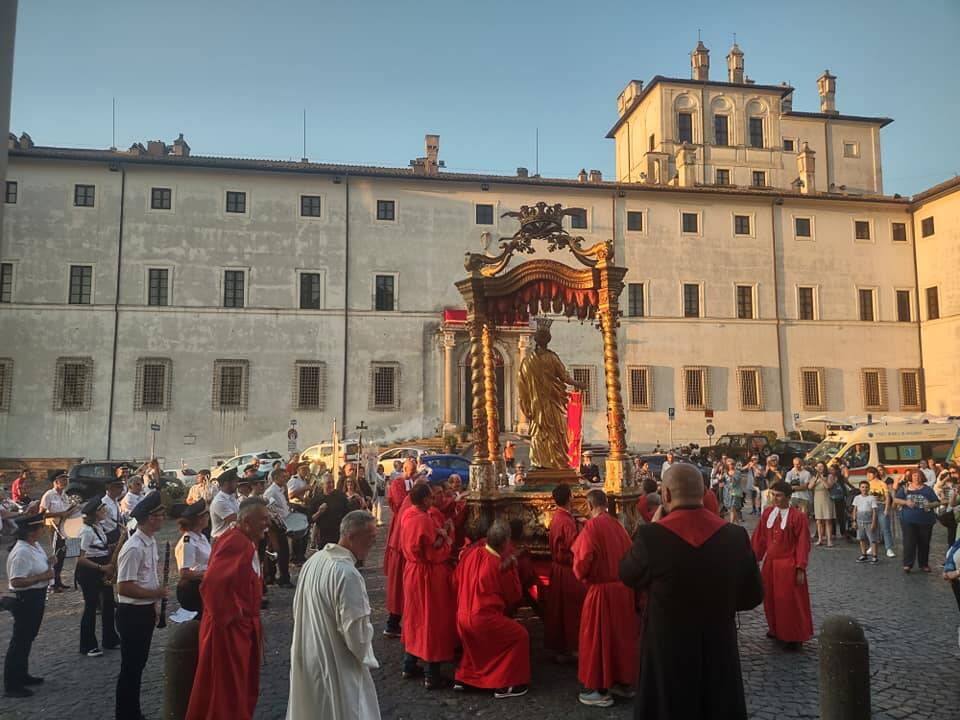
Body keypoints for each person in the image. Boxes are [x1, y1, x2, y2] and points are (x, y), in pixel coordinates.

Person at [619, 463, 764, 720]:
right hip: (718, 641)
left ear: (666, 495)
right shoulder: (735, 535)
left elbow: (628, 575)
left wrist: (653, 524)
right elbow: (753, 595)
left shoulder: (652, 536)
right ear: (704, 491)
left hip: (667, 645)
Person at [286, 510, 381, 720]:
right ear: (351, 536)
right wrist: (366, 655)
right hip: (338, 662)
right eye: (371, 538)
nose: (373, 544)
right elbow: (355, 629)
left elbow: (298, 607)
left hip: (309, 652)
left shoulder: (314, 561)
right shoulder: (348, 575)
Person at [185, 497, 269, 720]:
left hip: (240, 628)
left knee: (238, 687)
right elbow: (212, 583)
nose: (267, 524)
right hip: (230, 631)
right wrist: (233, 615)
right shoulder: (236, 542)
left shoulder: (245, 540)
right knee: (226, 690)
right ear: (248, 521)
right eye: (263, 519)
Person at [572, 489, 637, 707]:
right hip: (623, 590)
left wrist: (583, 578)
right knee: (621, 638)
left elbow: (581, 564)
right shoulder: (618, 525)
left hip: (602, 592)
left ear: (589, 506)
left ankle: (599, 689)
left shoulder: (591, 527)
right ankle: (623, 682)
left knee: (597, 639)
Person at [454, 520, 531, 698]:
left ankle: (465, 679)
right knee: (519, 635)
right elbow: (514, 595)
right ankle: (506, 684)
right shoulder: (497, 563)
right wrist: (512, 568)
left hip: (462, 615)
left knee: (477, 644)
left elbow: (457, 579)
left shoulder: (473, 554)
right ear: (505, 542)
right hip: (483, 617)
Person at [115, 491, 167, 720]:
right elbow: (124, 587)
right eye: (160, 515)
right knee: (131, 668)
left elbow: (148, 577)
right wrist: (155, 593)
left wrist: (154, 604)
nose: (163, 518)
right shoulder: (134, 547)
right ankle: (126, 715)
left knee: (138, 666)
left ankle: (133, 712)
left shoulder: (150, 541)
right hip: (131, 613)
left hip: (144, 610)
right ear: (149, 518)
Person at [399, 482, 456, 689]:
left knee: (414, 617)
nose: (434, 500)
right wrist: (447, 533)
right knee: (433, 620)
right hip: (428, 574)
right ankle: (432, 674)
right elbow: (434, 551)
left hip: (412, 572)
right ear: (424, 500)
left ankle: (409, 663)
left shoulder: (408, 514)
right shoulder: (424, 520)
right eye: (431, 497)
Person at [751, 481, 813, 651]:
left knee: (789, 602)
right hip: (770, 564)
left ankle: (793, 636)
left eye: (778, 495)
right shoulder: (768, 514)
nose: (774, 498)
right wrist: (753, 559)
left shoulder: (797, 517)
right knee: (771, 598)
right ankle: (776, 629)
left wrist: (800, 567)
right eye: (772, 495)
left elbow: (802, 544)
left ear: (788, 497)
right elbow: (760, 538)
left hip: (788, 565)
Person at [517, 317, 583, 469]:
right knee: (556, 433)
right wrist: (577, 383)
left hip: (536, 405)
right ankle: (556, 461)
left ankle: (540, 462)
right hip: (551, 403)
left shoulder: (527, 361)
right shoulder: (551, 357)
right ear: (547, 341)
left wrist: (526, 406)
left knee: (540, 433)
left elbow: (522, 387)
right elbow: (564, 376)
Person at [3, 512, 54, 698]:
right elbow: (16, 581)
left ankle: (22, 675)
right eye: (40, 527)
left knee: (28, 638)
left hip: (37, 597)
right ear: (31, 531)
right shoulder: (21, 552)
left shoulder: (35, 545)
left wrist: (48, 563)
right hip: (26, 599)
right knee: (20, 641)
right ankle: (12, 684)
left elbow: (37, 566)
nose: (42, 529)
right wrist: (42, 576)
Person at [543, 483, 585, 663]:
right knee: (571, 611)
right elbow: (576, 546)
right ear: (569, 498)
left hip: (558, 568)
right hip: (567, 570)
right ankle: (573, 648)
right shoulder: (566, 521)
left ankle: (561, 648)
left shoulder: (557, 517)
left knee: (559, 610)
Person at [76, 497, 120, 657]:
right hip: (89, 571)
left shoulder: (98, 527)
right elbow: (79, 558)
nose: (105, 512)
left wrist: (111, 548)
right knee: (91, 607)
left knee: (108, 604)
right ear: (95, 513)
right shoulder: (85, 531)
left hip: (102, 565)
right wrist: (102, 567)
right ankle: (87, 645)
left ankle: (110, 639)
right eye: (102, 509)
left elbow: (98, 546)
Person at [383, 459, 417, 638]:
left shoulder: (413, 483)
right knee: (397, 583)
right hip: (400, 534)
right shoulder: (397, 483)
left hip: (406, 530)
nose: (414, 471)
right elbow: (401, 504)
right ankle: (393, 622)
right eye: (412, 469)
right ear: (404, 469)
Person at [893, 468, 939, 573]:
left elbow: (937, 502)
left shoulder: (927, 489)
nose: (916, 478)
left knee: (924, 543)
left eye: (918, 476)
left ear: (922, 477)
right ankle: (908, 564)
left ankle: (924, 564)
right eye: (914, 476)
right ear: (911, 477)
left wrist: (930, 504)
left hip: (926, 520)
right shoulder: (905, 488)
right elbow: (896, 499)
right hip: (908, 520)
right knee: (909, 542)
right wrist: (906, 502)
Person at [172, 500, 211, 615]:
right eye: (206, 515)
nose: (208, 518)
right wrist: (208, 574)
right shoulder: (188, 542)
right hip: (193, 588)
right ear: (200, 519)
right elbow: (185, 573)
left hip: (204, 584)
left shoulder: (201, 537)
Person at [39, 470, 76, 591]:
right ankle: (52, 583)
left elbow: (66, 511)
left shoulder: (64, 495)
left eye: (66, 479)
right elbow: (41, 514)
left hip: (64, 526)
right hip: (53, 527)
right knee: (55, 554)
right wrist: (61, 513)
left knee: (62, 554)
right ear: (55, 481)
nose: (66, 482)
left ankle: (58, 580)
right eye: (63, 479)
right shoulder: (49, 495)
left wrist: (73, 509)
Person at [263, 467, 293, 588]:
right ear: (275, 478)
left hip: (283, 524)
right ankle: (281, 577)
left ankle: (279, 576)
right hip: (276, 525)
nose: (285, 478)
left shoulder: (280, 490)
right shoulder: (271, 491)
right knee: (281, 551)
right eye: (282, 476)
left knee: (282, 551)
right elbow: (269, 508)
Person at [312, 475, 351, 549]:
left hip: (339, 533)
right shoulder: (317, 499)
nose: (331, 485)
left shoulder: (340, 496)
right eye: (328, 483)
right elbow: (310, 519)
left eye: (333, 482)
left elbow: (348, 513)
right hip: (324, 535)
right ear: (322, 484)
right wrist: (319, 512)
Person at [866, 466, 896, 557]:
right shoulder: (867, 484)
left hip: (881, 505)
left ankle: (889, 548)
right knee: (872, 528)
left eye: (870, 473)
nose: (868, 475)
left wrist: (887, 509)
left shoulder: (882, 483)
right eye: (867, 474)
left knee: (885, 528)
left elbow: (887, 497)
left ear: (875, 474)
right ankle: (872, 546)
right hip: (871, 507)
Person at [850, 480, 879, 564]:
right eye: (862, 487)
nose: (864, 489)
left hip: (869, 521)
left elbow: (874, 511)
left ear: (869, 488)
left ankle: (874, 556)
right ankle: (864, 554)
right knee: (861, 538)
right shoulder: (857, 498)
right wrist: (854, 521)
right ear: (860, 488)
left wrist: (874, 522)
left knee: (873, 539)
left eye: (866, 487)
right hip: (860, 521)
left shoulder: (871, 498)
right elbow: (855, 509)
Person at [809, 462, 836, 547]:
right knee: (819, 520)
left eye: (822, 466)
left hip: (827, 499)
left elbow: (828, 486)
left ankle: (829, 540)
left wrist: (822, 479)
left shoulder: (829, 476)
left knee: (828, 520)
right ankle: (820, 539)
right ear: (816, 468)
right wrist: (816, 479)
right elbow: (810, 487)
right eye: (818, 467)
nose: (820, 468)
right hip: (817, 499)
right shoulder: (814, 477)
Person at [209, 468, 239, 541]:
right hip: (220, 539)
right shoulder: (219, 501)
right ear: (226, 484)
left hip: (229, 537)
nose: (237, 484)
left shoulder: (231, 497)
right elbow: (236, 520)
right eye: (235, 482)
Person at [102, 476, 126, 545]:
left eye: (122, 487)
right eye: (118, 487)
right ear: (110, 489)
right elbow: (103, 524)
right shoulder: (104, 504)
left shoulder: (115, 500)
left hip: (118, 533)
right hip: (110, 535)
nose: (121, 490)